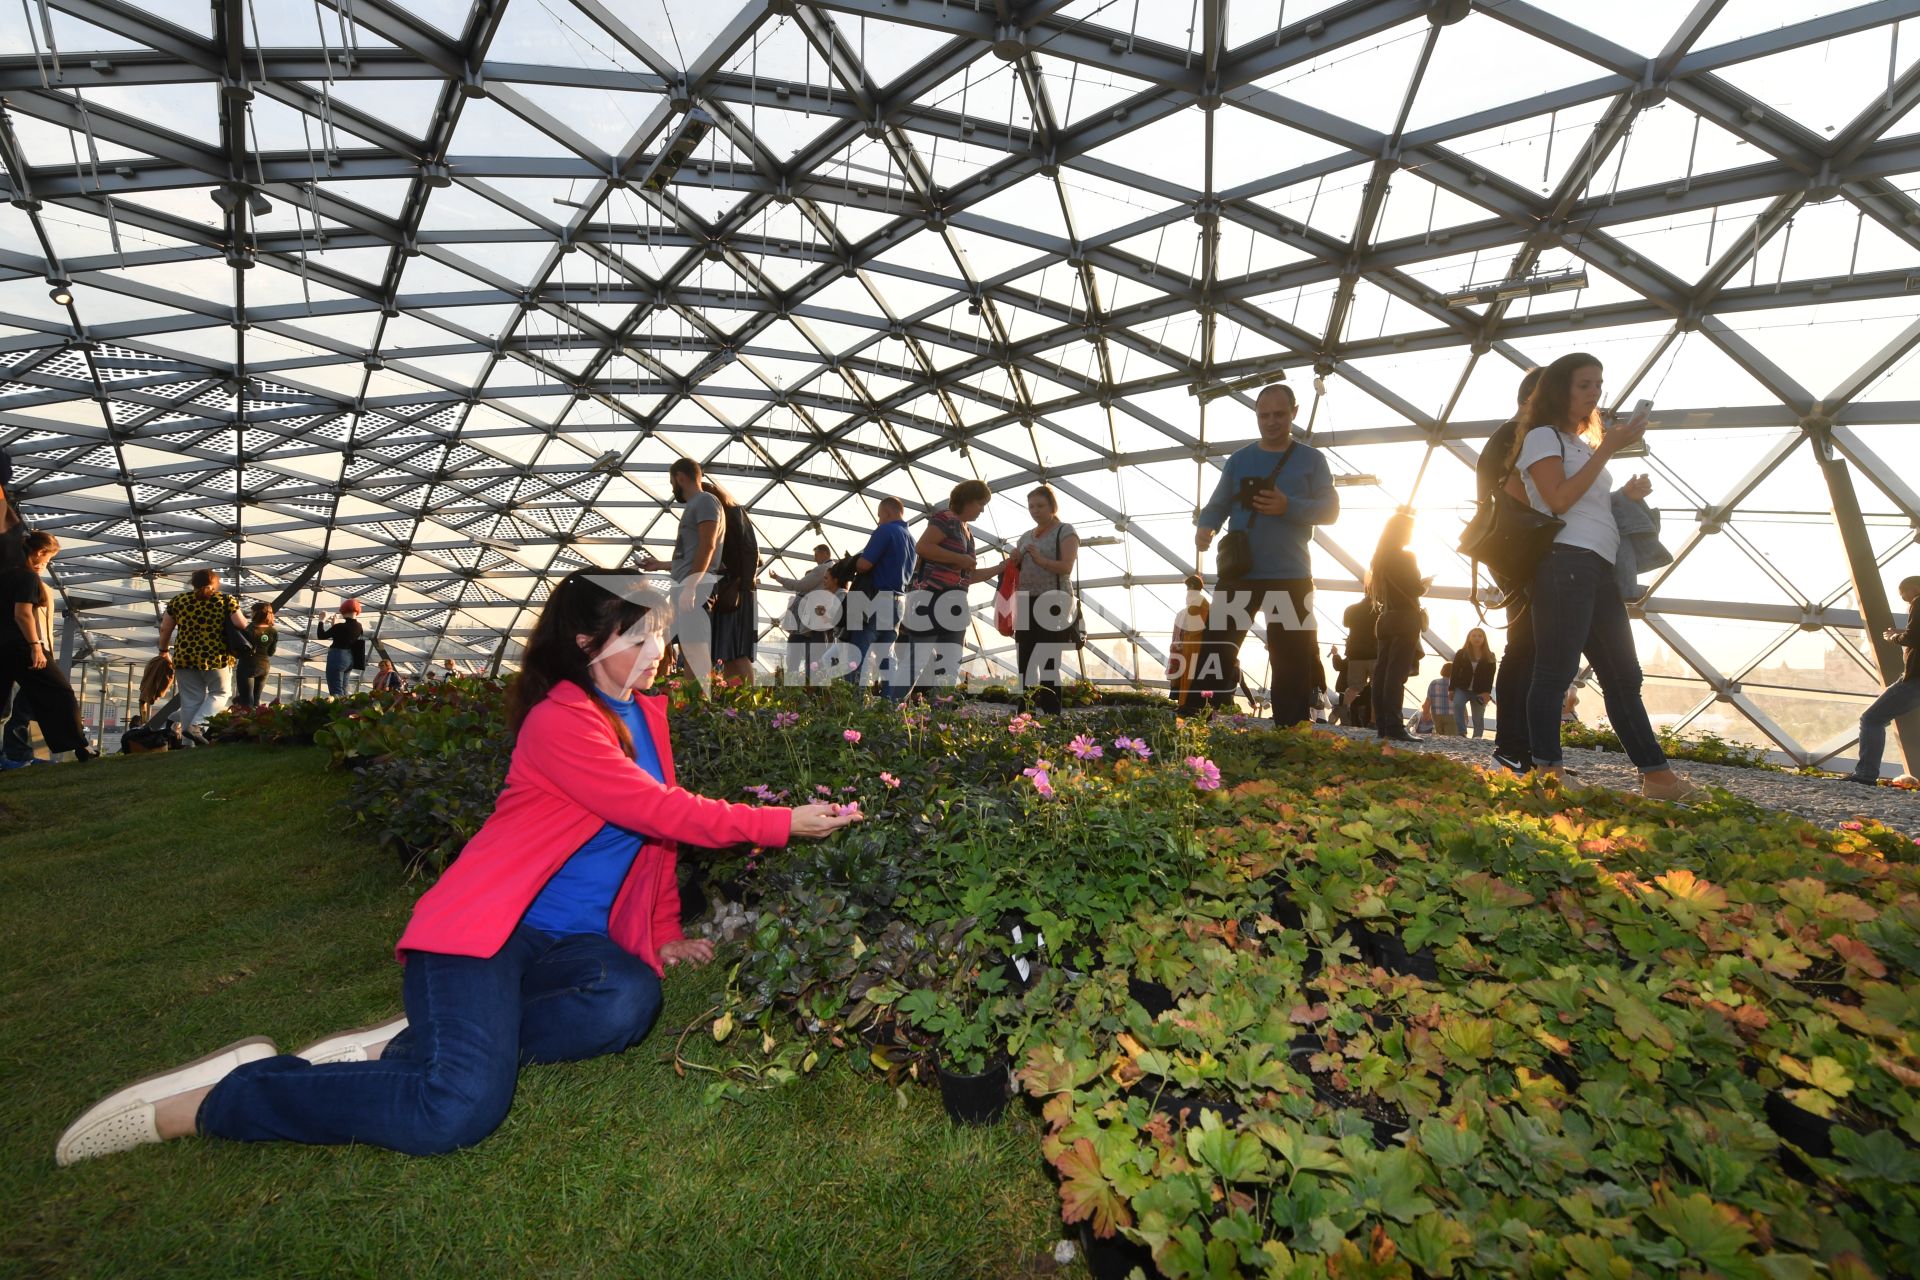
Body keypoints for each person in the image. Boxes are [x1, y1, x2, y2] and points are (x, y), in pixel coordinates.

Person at [55, 570, 861, 1167]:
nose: (657, 652)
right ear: (586, 644)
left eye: (658, 635)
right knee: (456, 1110)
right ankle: (231, 1095)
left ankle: (411, 1046)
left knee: (626, 1002)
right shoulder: (562, 723)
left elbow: (652, 840)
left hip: (567, 949)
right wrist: (781, 822)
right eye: (638, 637)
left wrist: (663, 931)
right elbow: (659, 812)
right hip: (486, 936)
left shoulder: (646, 715)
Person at [1511, 352, 1703, 803]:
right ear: (1560, 389)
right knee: (1554, 672)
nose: (1595, 392)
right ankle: (1548, 772)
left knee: (1623, 674)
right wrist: (1609, 450)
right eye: (1584, 384)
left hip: (1596, 565)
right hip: (1564, 562)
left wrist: (1622, 493)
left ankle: (1657, 776)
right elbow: (1557, 500)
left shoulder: (1580, 445)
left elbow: (1583, 501)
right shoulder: (1543, 437)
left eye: (1599, 383)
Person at [1194, 383, 1338, 726]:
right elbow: (1219, 503)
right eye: (1264, 415)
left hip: (1291, 575)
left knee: (1292, 659)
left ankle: (1290, 729)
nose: (1271, 422)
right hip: (1241, 572)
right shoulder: (1240, 460)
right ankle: (1196, 721)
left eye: (1279, 414)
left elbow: (1330, 510)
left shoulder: (1312, 460)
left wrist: (1288, 506)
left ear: (1294, 413)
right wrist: (1206, 527)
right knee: (1216, 649)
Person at [1478, 367, 1544, 773]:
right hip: (1521, 552)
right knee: (1526, 649)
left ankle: (1519, 745)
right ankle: (1514, 745)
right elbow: (1517, 494)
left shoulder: (1510, 434)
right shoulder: (1515, 436)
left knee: (1528, 649)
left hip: (1511, 551)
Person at [891, 481, 998, 702]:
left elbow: (967, 576)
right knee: (916, 661)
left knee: (949, 663)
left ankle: (939, 719)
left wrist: (1000, 569)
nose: (982, 509)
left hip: (955, 602)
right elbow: (923, 547)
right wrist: (961, 559)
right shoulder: (945, 519)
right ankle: (888, 711)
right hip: (931, 597)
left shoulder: (967, 531)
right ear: (967, 500)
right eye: (980, 503)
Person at [0, 531, 94, 766]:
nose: (46, 564)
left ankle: (8, 757)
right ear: (40, 552)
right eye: (48, 559)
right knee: (61, 693)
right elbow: (22, 614)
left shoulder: (4, 575)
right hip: (22, 647)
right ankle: (80, 746)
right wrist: (36, 646)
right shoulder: (27, 578)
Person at [641, 458, 724, 686]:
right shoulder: (698, 505)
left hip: (694, 586)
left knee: (695, 647)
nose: (672, 487)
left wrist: (691, 586)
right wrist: (660, 565)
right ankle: (691, 706)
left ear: (680, 477)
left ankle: (701, 708)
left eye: (672, 481)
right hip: (687, 584)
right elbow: (693, 553)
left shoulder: (705, 502)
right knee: (689, 648)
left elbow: (708, 546)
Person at [1009, 486, 1079, 716]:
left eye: (1040, 506)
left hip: (1053, 602)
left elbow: (1066, 567)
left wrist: (1040, 559)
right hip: (1026, 601)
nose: (1035, 511)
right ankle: (1023, 714)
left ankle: (1051, 715)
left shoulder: (1065, 531)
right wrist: (1016, 559)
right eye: (1031, 506)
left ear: (1052, 507)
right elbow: (1018, 569)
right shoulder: (1025, 537)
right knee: (1025, 659)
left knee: (1048, 661)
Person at [158, 569, 248, 743]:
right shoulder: (225, 599)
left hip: (185, 657)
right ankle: (196, 726)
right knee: (221, 693)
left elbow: (165, 628)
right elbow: (240, 623)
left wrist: (163, 651)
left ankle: (187, 744)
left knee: (191, 699)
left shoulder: (179, 601)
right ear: (216, 583)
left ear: (193, 583)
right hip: (217, 656)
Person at [1846, 576, 1920, 787]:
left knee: (1871, 718)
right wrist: (1903, 633)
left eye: (1903, 594)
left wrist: (1893, 638)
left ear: (1912, 588)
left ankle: (1866, 774)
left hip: (1915, 677)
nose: (1904, 600)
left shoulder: (1918, 602)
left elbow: (1914, 638)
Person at [843, 497, 916, 692]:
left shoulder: (885, 530)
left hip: (876, 599)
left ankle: (851, 701)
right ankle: (890, 703)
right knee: (887, 654)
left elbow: (864, 564)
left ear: (887, 513)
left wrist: (854, 563)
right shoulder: (911, 540)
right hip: (898, 601)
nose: (878, 520)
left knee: (858, 652)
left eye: (879, 515)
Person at [1369, 514, 1425, 742]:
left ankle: (1382, 724)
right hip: (1405, 618)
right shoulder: (1407, 557)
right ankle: (1394, 725)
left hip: (1385, 618)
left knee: (1381, 673)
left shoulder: (1379, 558)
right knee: (1396, 675)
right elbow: (1415, 588)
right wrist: (1424, 586)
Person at [704, 478, 759, 687]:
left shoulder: (731, 515)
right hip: (735, 588)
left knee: (736, 650)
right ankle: (737, 699)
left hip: (734, 589)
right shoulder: (733, 514)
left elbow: (749, 551)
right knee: (728, 651)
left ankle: (749, 696)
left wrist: (741, 584)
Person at [773, 544, 839, 684]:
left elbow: (801, 585)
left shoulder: (823, 569)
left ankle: (806, 687)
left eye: (816, 555)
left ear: (825, 553)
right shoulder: (830, 570)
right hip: (811, 623)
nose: (815, 558)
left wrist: (779, 579)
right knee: (811, 658)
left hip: (813, 623)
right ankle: (808, 686)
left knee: (810, 658)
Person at [1169, 576, 1210, 712]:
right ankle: (1183, 704)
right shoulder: (1197, 601)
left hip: (1194, 644)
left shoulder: (1199, 601)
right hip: (1189, 643)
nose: (1187, 591)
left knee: (1189, 674)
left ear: (1192, 587)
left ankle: (1186, 705)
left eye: (1188, 588)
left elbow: (1195, 626)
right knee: (1186, 674)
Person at [1338, 591, 1378, 726]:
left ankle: (1344, 710)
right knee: (1376, 687)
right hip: (1375, 654)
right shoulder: (1380, 610)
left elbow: (1346, 624)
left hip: (1355, 654)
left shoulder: (1351, 609)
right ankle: (1373, 721)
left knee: (1354, 686)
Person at [1450, 629, 1496, 739]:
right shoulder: (1461, 653)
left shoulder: (1490, 655)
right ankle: (1461, 732)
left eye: (1480, 636)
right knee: (1457, 704)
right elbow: (1454, 672)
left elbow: (1491, 676)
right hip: (1462, 688)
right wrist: (1451, 689)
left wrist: (1487, 693)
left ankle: (1477, 737)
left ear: (1484, 639)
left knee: (1478, 716)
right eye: (1474, 636)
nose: (1477, 638)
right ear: (1469, 638)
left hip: (1479, 691)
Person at [316, 599, 365, 697]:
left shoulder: (339, 627)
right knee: (344, 687)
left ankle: (338, 710)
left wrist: (321, 620)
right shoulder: (359, 626)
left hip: (337, 656)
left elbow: (321, 635)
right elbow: (344, 636)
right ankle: (346, 709)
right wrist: (334, 625)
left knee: (335, 688)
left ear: (343, 611)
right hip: (350, 659)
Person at [233, 603, 277, 709]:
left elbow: (240, 648)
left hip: (247, 665)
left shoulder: (250, 629)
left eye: (252, 612)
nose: (251, 614)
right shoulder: (273, 631)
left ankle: (244, 723)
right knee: (256, 700)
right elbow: (271, 652)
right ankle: (257, 722)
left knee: (246, 700)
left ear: (257, 613)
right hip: (264, 666)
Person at [1418, 663, 1456, 736]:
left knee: (1440, 737)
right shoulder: (1455, 684)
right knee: (1450, 739)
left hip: (1436, 715)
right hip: (1451, 715)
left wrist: (1425, 713)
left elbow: (1428, 700)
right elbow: (1459, 702)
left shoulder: (1434, 683)